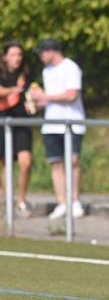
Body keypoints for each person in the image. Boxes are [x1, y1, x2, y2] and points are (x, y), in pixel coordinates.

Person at [32, 38, 86, 219]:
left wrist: (44, 96)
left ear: (51, 51)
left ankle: (75, 201)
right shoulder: (46, 71)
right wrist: (37, 103)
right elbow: (49, 99)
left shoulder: (71, 67)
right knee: (56, 163)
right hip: (51, 123)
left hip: (72, 123)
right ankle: (62, 202)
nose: (41, 57)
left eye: (42, 52)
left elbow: (71, 95)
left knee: (73, 161)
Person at [0, 41, 35, 217]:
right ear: (5, 56)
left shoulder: (26, 74)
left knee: (26, 162)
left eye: (19, 55)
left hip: (22, 122)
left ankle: (21, 200)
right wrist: (12, 90)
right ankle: (9, 201)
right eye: (13, 55)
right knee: (6, 164)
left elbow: (31, 93)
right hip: (3, 121)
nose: (17, 58)